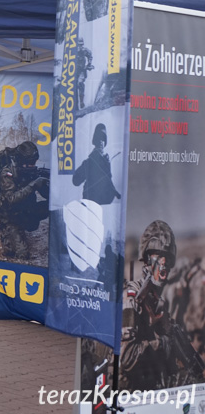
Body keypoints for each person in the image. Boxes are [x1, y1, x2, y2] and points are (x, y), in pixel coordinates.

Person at [121, 220, 205, 390]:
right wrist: (164, 343)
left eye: (167, 257)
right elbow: (127, 358)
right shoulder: (132, 299)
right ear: (146, 258)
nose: (163, 262)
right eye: (157, 255)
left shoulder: (157, 303)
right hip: (128, 394)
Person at [0, 141, 49, 259]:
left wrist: (46, 185)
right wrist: (34, 185)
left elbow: (46, 194)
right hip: (9, 216)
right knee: (21, 254)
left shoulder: (30, 171)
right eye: (30, 163)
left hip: (24, 209)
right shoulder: (7, 173)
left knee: (51, 206)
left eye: (34, 162)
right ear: (22, 161)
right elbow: (11, 199)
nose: (33, 165)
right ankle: (8, 236)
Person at [72, 123, 121, 205]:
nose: (101, 142)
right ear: (95, 141)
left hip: (105, 203)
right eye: (99, 138)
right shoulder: (89, 162)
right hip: (91, 203)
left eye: (103, 139)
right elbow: (76, 181)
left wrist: (116, 193)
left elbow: (108, 180)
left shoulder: (106, 160)